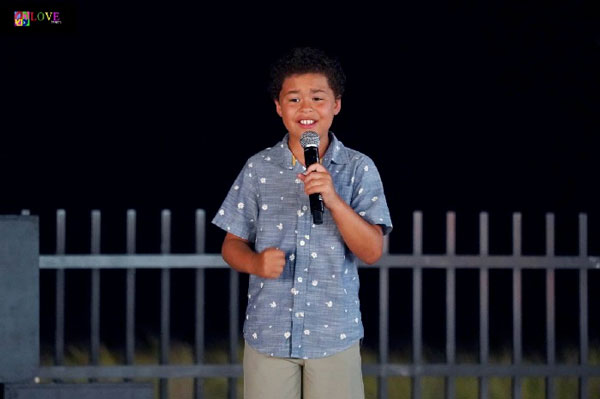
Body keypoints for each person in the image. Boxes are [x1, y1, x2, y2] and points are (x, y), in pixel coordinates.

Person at [211, 47, 392, 399]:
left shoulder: (358, 168)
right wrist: (255, 262)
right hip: (269, 334)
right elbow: (230, 245)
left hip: (333, 336)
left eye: (318, 98)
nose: (306, 108)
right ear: (279, 107)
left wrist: (333, 199)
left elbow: (372, 250)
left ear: (336, 104)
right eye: (293, 99)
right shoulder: (258, 168)